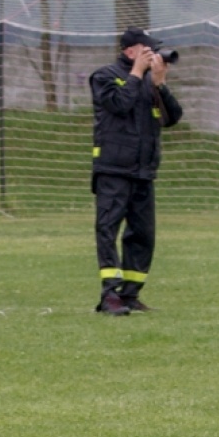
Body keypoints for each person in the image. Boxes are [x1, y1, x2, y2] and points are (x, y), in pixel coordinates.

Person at [88, 28, 182, 316]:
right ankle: (109, 295)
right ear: (130, 51)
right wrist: (137, 74)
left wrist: (160, 83)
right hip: (113, 169)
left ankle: (130, 294)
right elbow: (119, 104)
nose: (153, 54)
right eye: (147, 49)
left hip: (143, 171)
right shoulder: (104, 76)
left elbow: (172, 118)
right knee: (108, 229)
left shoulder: (148, 81)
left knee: (143, 234)